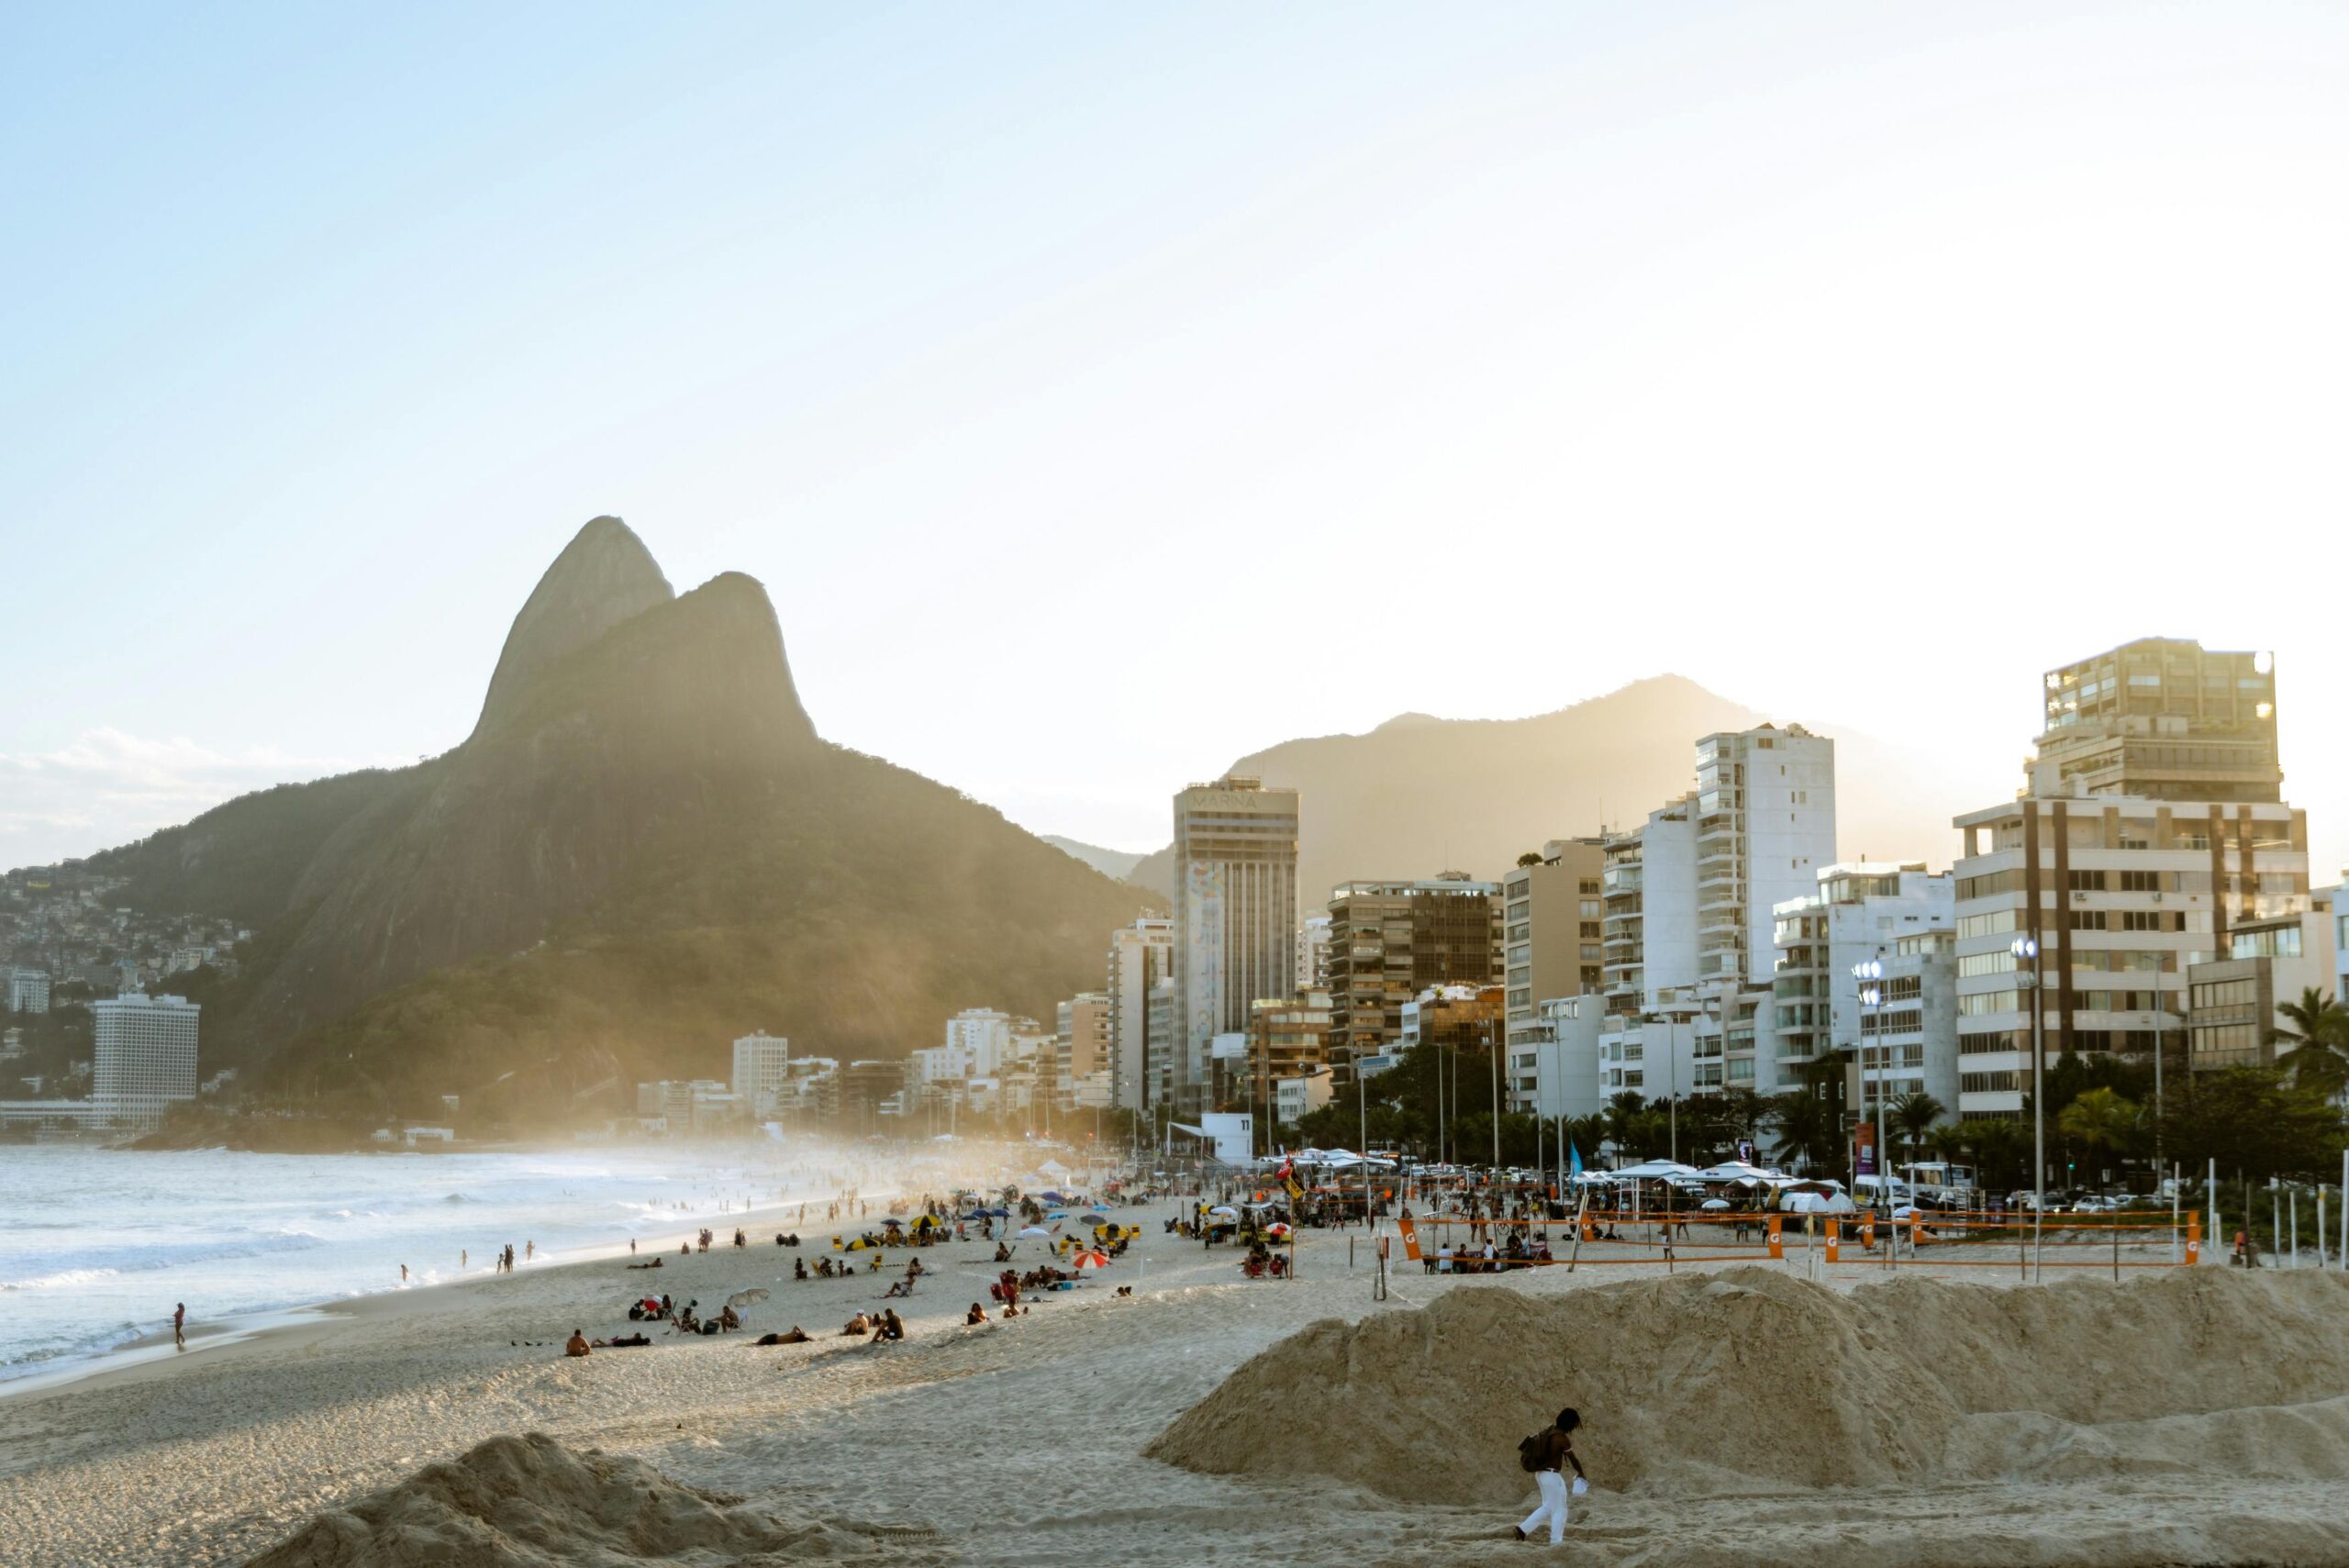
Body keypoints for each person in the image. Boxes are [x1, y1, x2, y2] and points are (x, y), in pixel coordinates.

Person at [1513, 1407, 1586, 1542]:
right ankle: (1556, 1542)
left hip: (1541, 1474)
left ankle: (1522, 1530)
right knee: (1560, 1510)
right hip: (1552, 1476)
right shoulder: (1561, 1438)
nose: (1575, 1427)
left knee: (1548, 1507)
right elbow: (1573, 1459)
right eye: (1575, 1424)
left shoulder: (1549, 1430)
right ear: (1569, 1423)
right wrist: (1581, 1473)